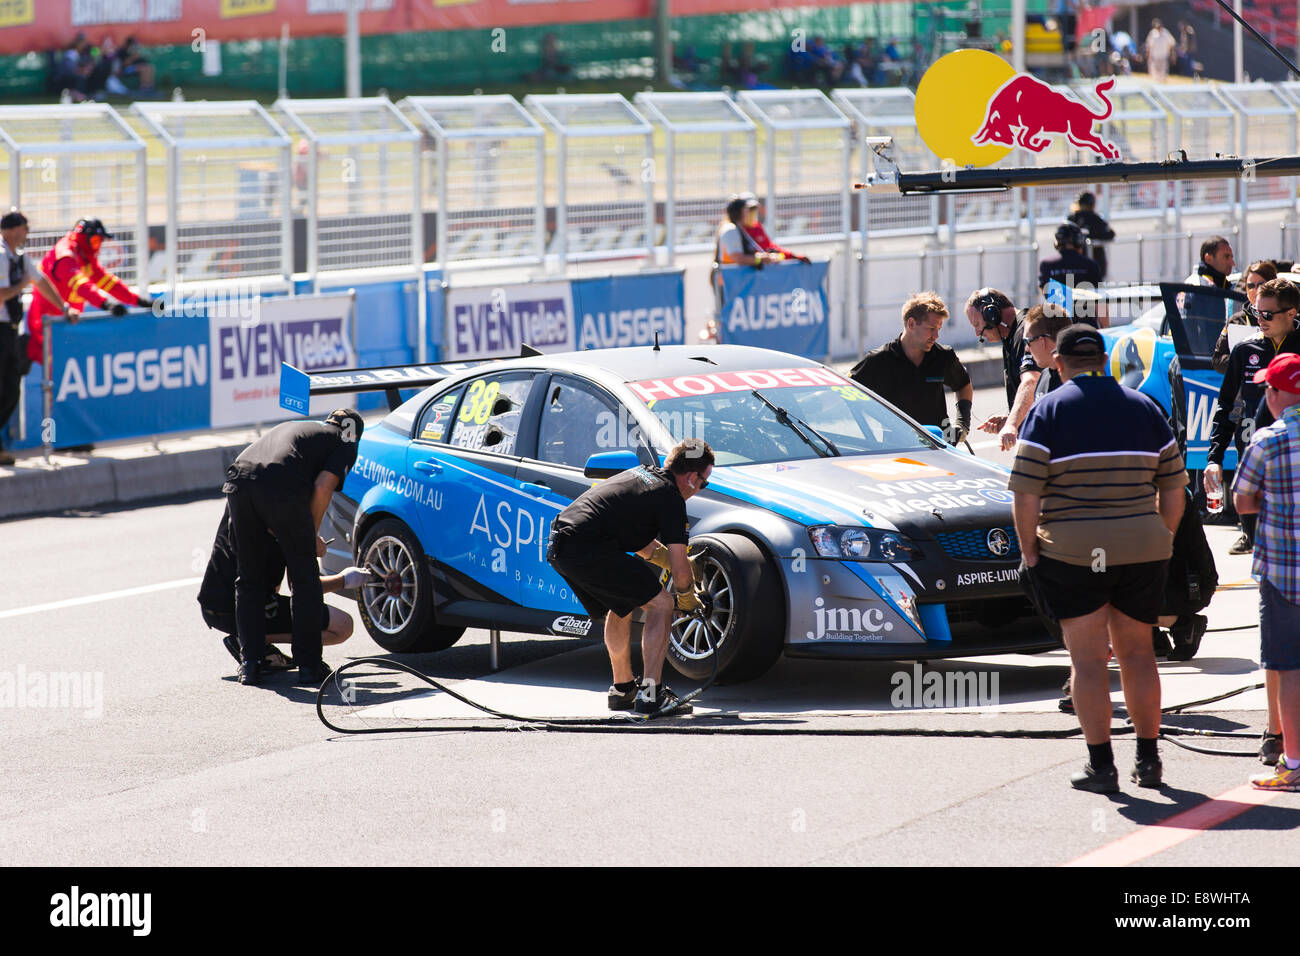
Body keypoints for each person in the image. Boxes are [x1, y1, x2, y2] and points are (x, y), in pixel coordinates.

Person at [1011, 324, 1187, 792]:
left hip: (1072, 552)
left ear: (1061, 363)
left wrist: (1030, 552)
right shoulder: (1145, 408)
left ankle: (1101, 766)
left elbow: (1025, 496)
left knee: (1088, 663)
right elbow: (1174, 489)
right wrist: (1160, 539)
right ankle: (1149, 761)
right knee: (1138, 654)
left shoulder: (1048, 411)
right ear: (1103, 360)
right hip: (1142, 549)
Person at [547, 439, 713, 717]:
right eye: (704, 483)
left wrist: (672, 563)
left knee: (622, 604)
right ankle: (652, 695)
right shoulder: (670, 496)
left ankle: (623, 689)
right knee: (661, 604)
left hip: (561, 547)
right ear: (692, 478)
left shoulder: (642, 476)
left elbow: (643, 545)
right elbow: (680, 570)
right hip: (587, 548)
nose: (700, 489)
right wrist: (687, 596)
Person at [222, 408, 365, 686]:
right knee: (304, 579)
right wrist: (310, 537)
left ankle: (251, 664)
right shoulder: (346, 440)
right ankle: (309, 665)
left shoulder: (305, 430)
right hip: (279, 483)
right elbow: (324, 487)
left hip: (239, 479)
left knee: (249, 579)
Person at [198, 500, 367, 674]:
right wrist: (345, 579)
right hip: (241, 607)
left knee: (268, 592)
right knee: (343, 626)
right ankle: (250, 640)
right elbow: (303, 589)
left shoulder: (241, 498)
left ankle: (253, 643)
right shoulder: (289, 515)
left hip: (213, 603)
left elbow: (292, 588)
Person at [1233, 353, 1300, 790]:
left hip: (1283, 572)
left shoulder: (1268, 441)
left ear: (1278, 395)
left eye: (1267, 390)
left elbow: (1242, 501)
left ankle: (1293, 763)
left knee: (1289, 668)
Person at [1205, 278, 1300, 555]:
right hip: (1255, 457)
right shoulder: (1245, 350)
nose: (1260, 319)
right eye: (1256, 311)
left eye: (1267, 314)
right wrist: (1214, 459)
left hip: (1294, 461)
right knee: (1262, 550)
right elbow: (1227, 408)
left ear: (1292, 313)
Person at [0, 210, 79, 465]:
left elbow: (41, 282)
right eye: (23, 228)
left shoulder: (19, 259)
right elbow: (2, 294)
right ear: (11, 230)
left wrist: (64, 307)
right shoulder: (1, 256)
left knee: (11, 389)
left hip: (10, 331)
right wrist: (22, 284)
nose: (26, 233)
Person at [25, 218, 151, 368]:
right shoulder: (65, 255)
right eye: (96, 241)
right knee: (55, 375)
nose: (98, 246)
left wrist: (139, 301)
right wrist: (106, 304)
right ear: (85, 237)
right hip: (47, 327)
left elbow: (107, 281)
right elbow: (81, 284)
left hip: (67, 325)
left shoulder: (85, 255)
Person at [849, 291, 973, 442]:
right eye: (931, 328)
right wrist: (871, 433)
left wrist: (963, 423)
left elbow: (963, 385)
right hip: (898, 448)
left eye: (938, 329)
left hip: (940, 445)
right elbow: (846, 392)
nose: (936, 336)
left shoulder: (943, 356)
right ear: (911, 324)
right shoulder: (879, 360)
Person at [964, 288, 1040, 451]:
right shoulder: (1010, 337)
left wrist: (1012, 424)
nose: (977, 333)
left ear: (991, 314)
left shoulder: (1025, 332)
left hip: (1044, 436)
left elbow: (1031, 381)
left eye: (977, 324)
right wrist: (1011, 419)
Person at [1213, 260, 1277, 374]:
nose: (1255, 290)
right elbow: (1218, 360)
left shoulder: (1285, 318)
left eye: (1261, 285)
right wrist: (1244, 359)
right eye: (1251, 286)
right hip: (1245, 388)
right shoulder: (1236, 321)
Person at [1038, 222, 1103, 324]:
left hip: (1058, 327)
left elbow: (1046, 294)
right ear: (1079, 241)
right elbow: (1100, 302)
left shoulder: (1046, 265)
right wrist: (1105, 329)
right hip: (1087, 326)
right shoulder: (1091, 265)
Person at [737, 193, 810, 264]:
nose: (751, 213)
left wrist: (793, 256)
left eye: (754, 209)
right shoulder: (735, 230)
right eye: (748, 210)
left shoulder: (757, 227)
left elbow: (770, 247)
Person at [1067, 192, 1115, 282]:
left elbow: (1110, 234)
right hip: (1094, 265)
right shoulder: (1096, 219)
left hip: (1078, 265)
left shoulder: (1073, 219)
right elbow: (1110, 233)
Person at [1144, 18, 1177, 84]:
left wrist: (1173, 55)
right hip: (1155, 57)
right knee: (1154, 74)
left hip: (1163, 56)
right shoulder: (1152, 33)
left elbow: (1172, 44)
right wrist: (1148, 55)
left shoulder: (1166, 33)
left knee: (1163, 74)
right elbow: (1149, 46)